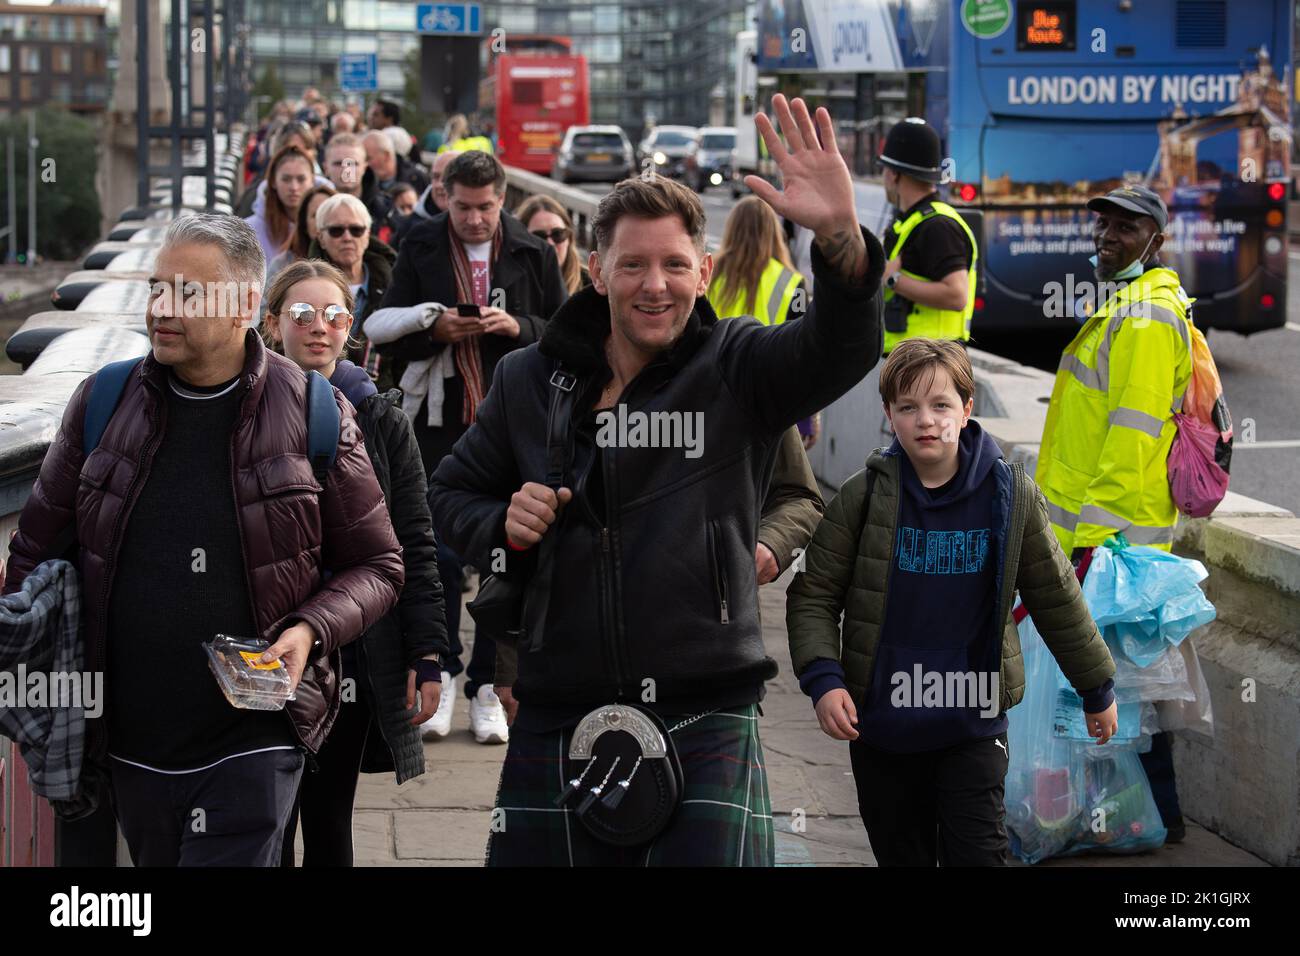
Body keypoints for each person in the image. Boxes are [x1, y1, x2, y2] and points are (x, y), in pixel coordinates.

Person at [428, 95, 884, 866]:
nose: (655, 285)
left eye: (675, 265)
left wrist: (840, 243)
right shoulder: (526, 379)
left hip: (702, 702)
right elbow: (446, 496)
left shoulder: (739, 367)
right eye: (632, 264)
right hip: (558, 701)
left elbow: (841, 350)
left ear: (703, 272)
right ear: (594, 268)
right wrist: (503, 521)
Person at [1, 215, 405, 866]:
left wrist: (307, 629)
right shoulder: (101, 403)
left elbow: (379, 564)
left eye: (189, 293)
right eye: (158, 289)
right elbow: (33, 556)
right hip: (128, 744)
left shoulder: (313, 411)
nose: (162, 308)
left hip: (254, 740)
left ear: (247, 304)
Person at [785, 338, 1118, 866]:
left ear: (967, 408)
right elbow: (815, 595)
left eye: (941, 405)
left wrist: (1096, 688)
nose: (926, 421)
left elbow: (1056, 596)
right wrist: (824, 680)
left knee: (979, 856)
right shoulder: (862, 496)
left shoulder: (1011, 496)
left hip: (973, 725)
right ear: (888, 414)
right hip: (884, 730)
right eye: (908, 407)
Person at [364, 150, 567, 746]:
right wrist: (437, 330)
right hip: (440, 420)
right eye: (464, 207)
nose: (476, 219)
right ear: (444, 197)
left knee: (510, 551)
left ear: (502, 200)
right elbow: (389, 330)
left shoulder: (532, 249)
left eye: (486, 207)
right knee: (440, 552)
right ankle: (444, 670)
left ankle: (488, 684)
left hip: (512, 423)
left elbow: (563, 332)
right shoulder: (421, 244)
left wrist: (517, 330)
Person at [263, 260, 447, 867]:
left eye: (336, 315)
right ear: (270, 324)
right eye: (303, 314)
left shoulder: (381, 417)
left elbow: (414, 542)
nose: (321, 327)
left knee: (328, 817)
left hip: (352, 651)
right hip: (261, 646)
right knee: (265, 822)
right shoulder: (241, 412)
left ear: (352, 331)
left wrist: (426, 655)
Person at [1036, 183, 1193, 842]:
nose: (1107, 237)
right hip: (1096, 539)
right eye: (1102, 225)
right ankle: (1123, 822)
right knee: (1114, 694)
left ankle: (1150, 823)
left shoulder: (1149, 318)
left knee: (1120, 693)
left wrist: (1093, 549)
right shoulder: (1128, 307)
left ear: (1156, 240)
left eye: (1126, 228)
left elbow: (1130, 445)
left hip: (1111, 543)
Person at [707, 195, 819, 448]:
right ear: (773, 232)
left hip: (713, 394)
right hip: (770, 399)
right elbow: (801, 357)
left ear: (731, 228)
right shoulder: (792, 282)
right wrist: (806, 419)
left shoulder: (708, 273)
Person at [308, 193, 397, 387]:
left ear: (367, 235)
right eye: (336, 230)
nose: (347, 237)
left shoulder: (395, 284)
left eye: (356, 230)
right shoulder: (301, 287)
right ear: (321, 238)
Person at [244, 145, 316, 263]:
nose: (294, 187)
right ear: (273, 181)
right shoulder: (249, 230)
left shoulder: (330, 227)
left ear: (312, 181)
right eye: (286, 179)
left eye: (301, 179)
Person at [236, 120, 322, 219]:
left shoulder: (325, 192)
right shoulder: (256, 196)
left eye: (306, 148)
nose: (300, 155)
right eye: (294, 150)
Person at [266, 182, 337, 285]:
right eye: (315, 215)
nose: (323, 221)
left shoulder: (355, 261)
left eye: (328, 214)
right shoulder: (281, 265)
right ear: (304, 224)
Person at [516, 194, 587, 293]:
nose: (550, 244)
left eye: (557, 234)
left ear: (569, 238)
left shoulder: (591, 286)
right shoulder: (509, 283)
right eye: (539, 237)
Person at [392, 149, 460, 248]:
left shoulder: (479, 224)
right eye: (436, 177)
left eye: (448, 177)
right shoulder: (409, 229)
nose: (440, 185)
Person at [324, 132, 389, 226]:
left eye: (353, 164)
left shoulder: (385, 210)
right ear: (326, 168)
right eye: (338, 163)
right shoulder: (313, 209)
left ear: (365, 167)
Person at [362, 131, 430, 201]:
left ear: (386, 156)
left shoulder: (417, 178)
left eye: (368, 158)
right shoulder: (361, 178)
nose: (365, 163)